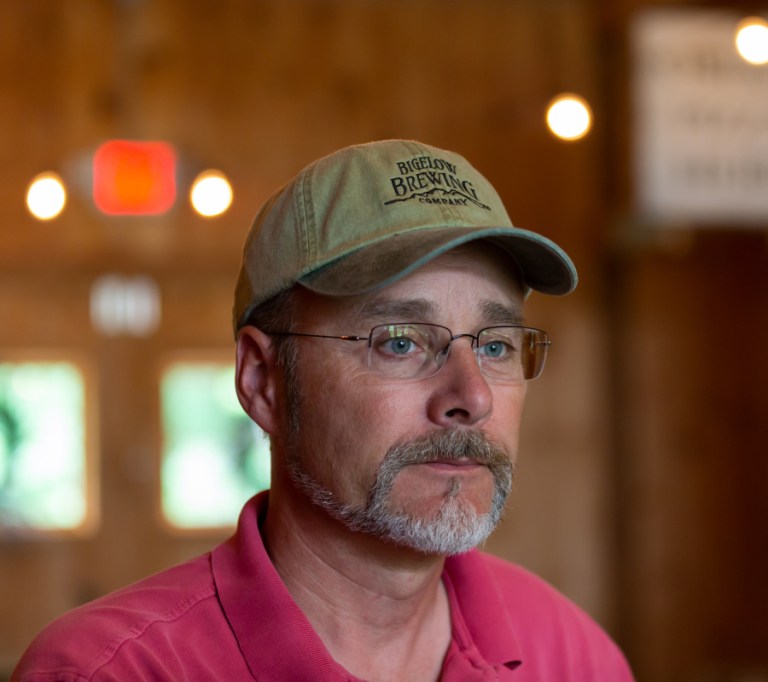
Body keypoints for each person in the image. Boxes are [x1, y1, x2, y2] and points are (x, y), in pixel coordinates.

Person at [13, 140, 634, 681]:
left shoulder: (574, 656)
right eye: (399, 341)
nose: (471, 397)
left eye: (495, 346)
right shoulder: (112, 672)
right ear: (262, 382)